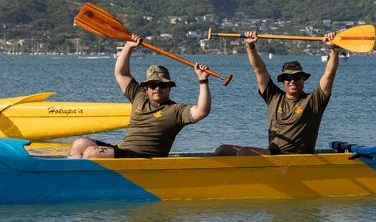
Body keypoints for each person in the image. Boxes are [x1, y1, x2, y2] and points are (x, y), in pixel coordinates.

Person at [68, 34, 211, 158]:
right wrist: (128, 46)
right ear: (146, 87)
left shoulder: (177, 110)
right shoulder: (138, 96)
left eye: (162, 85)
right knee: (79, 144)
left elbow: (202, 111)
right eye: (152, 85)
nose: (157, 89)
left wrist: (203, 80)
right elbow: (121, 73)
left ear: (169, 88)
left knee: (91, 153)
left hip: (144, 157)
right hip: (124, 152)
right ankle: (69, 183)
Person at [214, 29, 339, 156]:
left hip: (294, 157)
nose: (292, 81)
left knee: (244, 152)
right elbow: (259, 69)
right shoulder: (273, 97)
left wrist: (334, 49)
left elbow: (329, 74)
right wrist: (250, 46)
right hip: (272, 153)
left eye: (297, 77)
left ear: (303, 79)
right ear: (283, 81)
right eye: (288, 78)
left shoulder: (314, 101)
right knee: (222, 150)